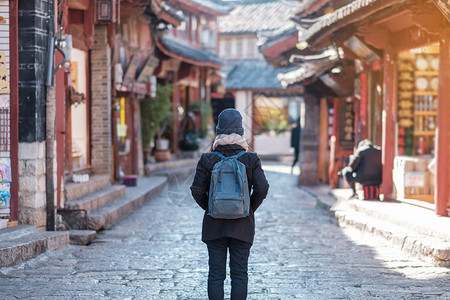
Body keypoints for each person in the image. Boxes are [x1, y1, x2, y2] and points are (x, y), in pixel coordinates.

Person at [190, 108, 269, 300]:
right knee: (239, 274)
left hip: (214, 226)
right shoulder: (251, 158)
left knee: (216, 275)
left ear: (218, 131)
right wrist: (248, 208)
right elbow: (262, 188)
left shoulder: (208, 158)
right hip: (242, 225)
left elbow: (196, 190)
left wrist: (211, 207)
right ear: (240, 131)